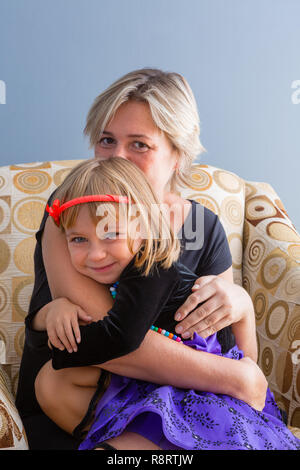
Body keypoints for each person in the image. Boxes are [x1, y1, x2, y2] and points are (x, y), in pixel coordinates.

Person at [16, 68, 260, 450]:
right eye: (107, 140)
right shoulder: (70, 210)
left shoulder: (202, 227)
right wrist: (236, 379)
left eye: (139, 145)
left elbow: (221, 346)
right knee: (54, 381)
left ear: (177, 154)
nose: (118, 158)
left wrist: (242, 306)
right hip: (76, 399)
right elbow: (112, 338)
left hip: (175, 404)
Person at [34, 157, 300, 450]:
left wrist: (60, 347)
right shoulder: (115, 267)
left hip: (213, 388)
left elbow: (120, 337)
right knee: (52, 381)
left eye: (111, 234)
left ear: (144, 228)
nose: (95, 254)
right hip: (167, 380)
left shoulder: (154, 269)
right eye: (79, 240)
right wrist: (50, 312)